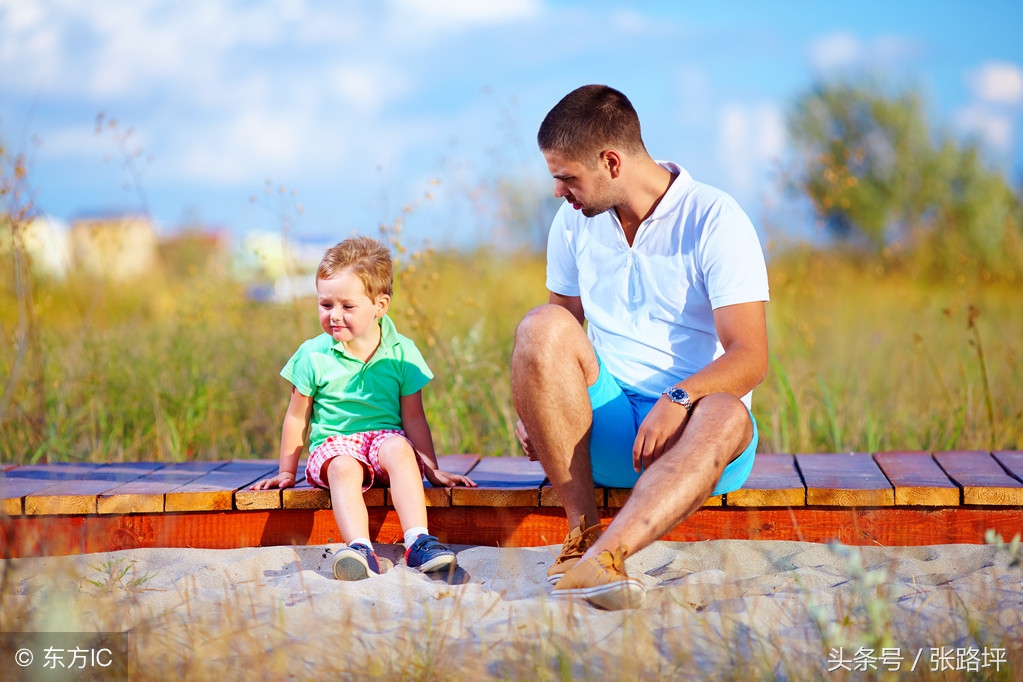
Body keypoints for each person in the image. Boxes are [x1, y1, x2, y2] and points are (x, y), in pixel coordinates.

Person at [511, 85, 770, 610]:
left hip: (695, 438)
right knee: (540, 324)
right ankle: (582, 537)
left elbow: (750, 356)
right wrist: (537, 406)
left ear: (611, 162)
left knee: (726, 412)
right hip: (604, 431)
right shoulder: (573, 221)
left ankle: (606, 559)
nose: (558, 191)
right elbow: (560, 329)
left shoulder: (715, 219)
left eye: (567, 177)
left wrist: (678, 399)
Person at [251, 236, 475, 580]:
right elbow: (297, 417)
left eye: (347, 306)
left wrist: (432, 469)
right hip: (334, 445)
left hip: (384, 441)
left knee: (399, 447)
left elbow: (414, 418)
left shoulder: (402, 352)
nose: (334, 316)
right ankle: (360, 549)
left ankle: (418, 542)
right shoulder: (313, 355)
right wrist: (286, 472)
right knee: (343, 467)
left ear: (380, 305)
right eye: (326, 304)